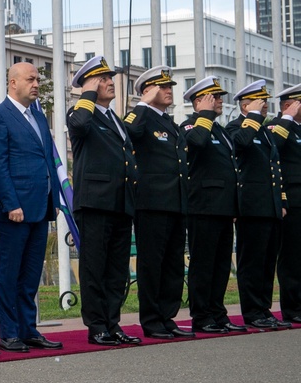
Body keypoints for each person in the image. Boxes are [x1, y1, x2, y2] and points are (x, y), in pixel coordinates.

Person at [0, 62, 64, 353]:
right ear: (13, 82)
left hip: (40, 207)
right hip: (14, 210)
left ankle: (28, 329)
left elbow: (46, 162)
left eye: (37, 80)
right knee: (9, 272)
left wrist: (53, 200)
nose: (36, 84)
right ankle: (9, 333)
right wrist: (11, 203)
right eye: (30, 79)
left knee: (30, 274)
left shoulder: (39, 118)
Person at [65, 55, 140, 347]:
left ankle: (112, 323)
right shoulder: (79, 112)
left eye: (110, 79)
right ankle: (96, 326)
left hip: (121, 203)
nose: (110, 83)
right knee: (95, 268)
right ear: (88, 84)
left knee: (116, 270)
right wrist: (87, 94)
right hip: (95, 203)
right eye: (103, 79)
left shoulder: (114, 118)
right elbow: (80, 126)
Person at [121, 66, 194, 340]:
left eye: (169, 87)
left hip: (176, 202)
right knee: (152, 264)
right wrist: (141, 103)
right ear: (147, 90)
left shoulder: (171, 125)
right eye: (162, 87)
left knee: (174, 263)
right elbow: (127, 133)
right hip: (152, 203)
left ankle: (167, 316)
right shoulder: (141, 117)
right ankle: (151, 319)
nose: (168, 91)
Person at [179, 77, 245, 335]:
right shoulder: (190, 124)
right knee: (203, 264)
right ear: (199, 101)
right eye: (214, 97)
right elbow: (196, 143)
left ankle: (218, 313)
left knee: (220, 266)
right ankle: (202, 316)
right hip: (203, 207)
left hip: (223, 208)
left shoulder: (220, 130)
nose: (220, 101)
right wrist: (204, 115)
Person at [225, 80, 291, 330]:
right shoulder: (236, 127)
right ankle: (252, 311)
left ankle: (263, 309)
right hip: (251, 206)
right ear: (246, 105)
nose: (265, 107)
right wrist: (252, 116)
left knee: (266, 262)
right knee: (251, 261)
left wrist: (281, 200)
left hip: (270, 206)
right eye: (260, 103)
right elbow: (239, 145)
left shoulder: (263, 131)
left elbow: (275, 167)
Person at [272, 84, 301, 324]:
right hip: (292, 200)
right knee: (292, 258)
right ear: (287, 106)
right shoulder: (279, 126)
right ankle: (292, 308)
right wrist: (287, 118)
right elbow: (272, 148)